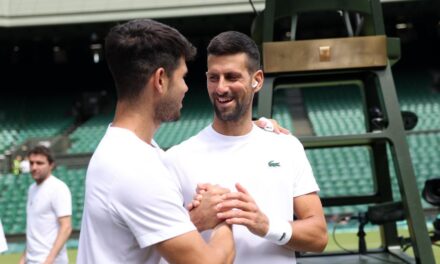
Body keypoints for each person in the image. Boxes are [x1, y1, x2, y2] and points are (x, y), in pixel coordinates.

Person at [76, 19, 235, 264]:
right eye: (183, 77)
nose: (185, 87)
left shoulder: (128, 151)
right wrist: (224, 216)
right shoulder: (134, 167)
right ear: (160, 79)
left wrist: (195, 219)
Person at [164, 31, 328, 264]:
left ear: (257, 80)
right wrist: (196, 221)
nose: (221, 88)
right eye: (214, 77)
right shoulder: (177, 159)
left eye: (232, 77)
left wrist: (266, 225)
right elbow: (161, 246)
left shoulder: (286, 147)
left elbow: (319, 236)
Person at [20, 145, 72, 264]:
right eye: (31, 163)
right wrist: (23, 259)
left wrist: (49, 259)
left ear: (51, 165)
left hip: (49, 261)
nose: (34, 167)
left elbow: (66, 227)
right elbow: (33, 230)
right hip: (32, 260)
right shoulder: (31, 189)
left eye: (39, 163)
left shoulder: (58, 188)